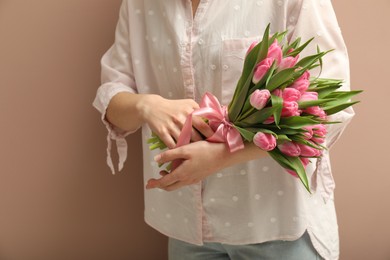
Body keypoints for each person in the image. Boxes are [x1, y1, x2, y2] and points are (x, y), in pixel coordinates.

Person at [93, 1, 355, 259]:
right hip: (186, 228)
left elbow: (328, 106)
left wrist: (223, 155)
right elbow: (113, 92)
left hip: (278, 229)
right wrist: (146, 105)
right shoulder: (140, 4)